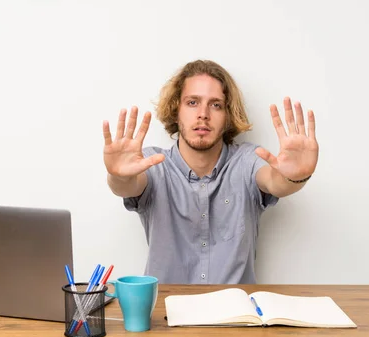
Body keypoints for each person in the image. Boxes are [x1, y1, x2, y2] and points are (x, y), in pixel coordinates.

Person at [102, 59, 319, 284]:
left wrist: (295, 176)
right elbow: (127, 185)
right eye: (193, 102)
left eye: (216, 105)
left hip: (236, 314)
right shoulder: (152, 164)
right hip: (166, 312)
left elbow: (276, 182)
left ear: (227, 116)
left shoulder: (246, 161)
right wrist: (119, 175)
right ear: (177, 111)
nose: (203, 114)